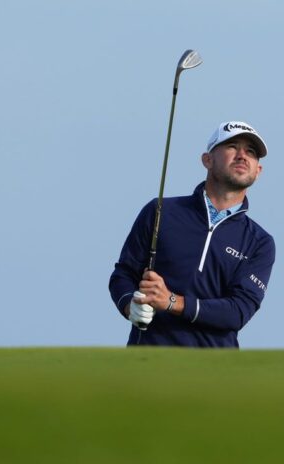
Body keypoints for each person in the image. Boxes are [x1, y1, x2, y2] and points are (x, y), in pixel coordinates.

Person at [109, 121, 275, 347]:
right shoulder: (160, 211)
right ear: (207, 160)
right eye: (232, 146)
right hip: (149, 356)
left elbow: (238, 311)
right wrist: (130, 306)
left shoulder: (259, 242)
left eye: (251, 152)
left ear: (258, 171)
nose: (242, 156)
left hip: (215, 365)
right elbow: (123, 274)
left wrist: (172, 302)